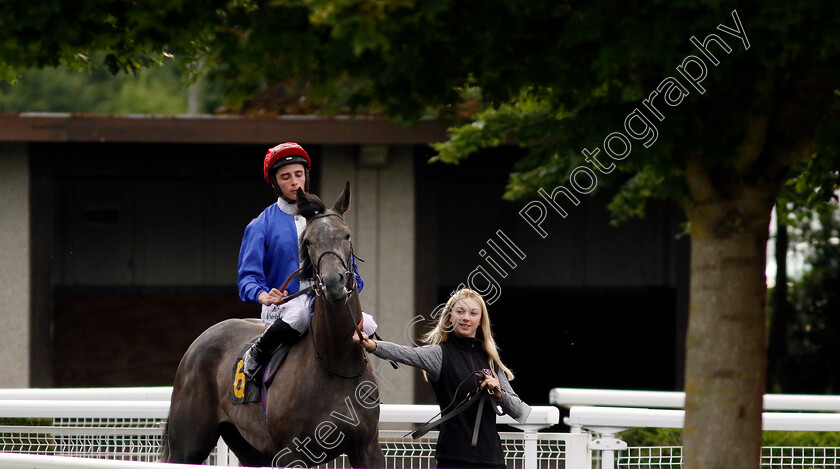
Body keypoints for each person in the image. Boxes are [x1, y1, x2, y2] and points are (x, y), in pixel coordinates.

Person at [238, 142, 376, 381]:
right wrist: (263, 295)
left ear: (306, 176)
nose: (294, 182)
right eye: (286, 177)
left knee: (370, 324)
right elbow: (247, 280)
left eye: (299, 174)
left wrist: (348, 288)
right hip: (284, 307)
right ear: (274, 183)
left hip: (324, 301)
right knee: (299, 316)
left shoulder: (326, 222)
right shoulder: (261, 225)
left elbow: (352, 273)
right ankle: (256, 353)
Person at [354, 288, 531, 469]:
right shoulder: (439, 354)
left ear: (481, 321)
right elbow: (406, 353)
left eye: (473, 313)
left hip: (492, 461)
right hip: (453, 459)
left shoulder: (491, 361)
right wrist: (373, 345)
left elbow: (521, 412)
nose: (466, 318)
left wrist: (499, 393)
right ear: (449, 317)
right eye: (460, 311)